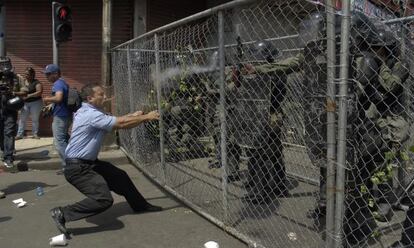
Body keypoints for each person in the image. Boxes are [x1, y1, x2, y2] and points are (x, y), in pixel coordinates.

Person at [50, 83, 162, 237]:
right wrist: (146, 117)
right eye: (101, 94)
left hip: (88, 163)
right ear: (90, 98)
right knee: (103, 199)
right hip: (78, 169)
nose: (105, 97)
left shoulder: (92, 111)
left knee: (120, 176)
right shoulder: (91, 115)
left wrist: (136, 116)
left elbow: (118, 120)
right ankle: (62, 213)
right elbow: (121, 124)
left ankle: (140, 206)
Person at [0, 57, 26, 197]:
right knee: (1, 134)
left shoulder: (17, 77)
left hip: (10, 110)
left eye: (6, 64)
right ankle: (4, 151)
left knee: (9, 132)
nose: (4, 67)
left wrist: (12, 93)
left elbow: (25, 92)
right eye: (2, 64)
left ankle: (8, 157)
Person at [42, 64, 70, 171]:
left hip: (61, 117)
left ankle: (68, 166)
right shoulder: (62, 82)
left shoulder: (58, 84)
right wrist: (51, 105)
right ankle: (73, 163)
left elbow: (58, 98)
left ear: (56, 74)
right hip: (64, 115)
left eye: (48, 74)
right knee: (65, 140)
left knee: (59, 143)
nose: (46, 76)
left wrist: (48, 99)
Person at [15, 67, 43, 139]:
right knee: (22, 119)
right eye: (25, 74)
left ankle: (35, 134)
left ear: (32, 75)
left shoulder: (36, 82)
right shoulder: (23, 82)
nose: (26, 75)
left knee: (35, 119)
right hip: (25, 103)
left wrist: (29, 96)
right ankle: (20, 135)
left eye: (27, 74)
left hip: (35, 102)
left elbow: (39, 92)